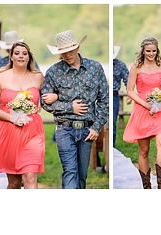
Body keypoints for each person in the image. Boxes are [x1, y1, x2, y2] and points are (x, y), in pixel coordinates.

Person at [41, 30, 109, 189]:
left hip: (87, 130)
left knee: (82, 175)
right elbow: (44, 102)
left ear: (77, 48)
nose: (67, 55)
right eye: (63, 52)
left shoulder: (95, 68)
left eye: (70, 51)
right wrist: (69, 107)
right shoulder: (53, 72)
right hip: (64, 130)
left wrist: (97, 126)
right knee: (70, 171)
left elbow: (104, 99)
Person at [0, 41, 45, 189]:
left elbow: (46, 100)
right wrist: (12, 117)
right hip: (9, 131)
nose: (21, 56)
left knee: (30, 177)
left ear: (29, 57)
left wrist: (41, 106)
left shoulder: (38, 77)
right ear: (11, 56)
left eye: (24, 54)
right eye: (17, 53)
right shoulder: (0, 77)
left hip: (32, 131)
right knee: (14, 183)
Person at [122, 37, 161, 189]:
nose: (151, 53)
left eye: (154, 51)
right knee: (144, 150)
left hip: (160, 108)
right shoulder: (136, 67)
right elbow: (129, 91)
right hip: (142, 108)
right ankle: (147, 186)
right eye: (148, 51)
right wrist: (146, 105)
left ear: (158, 51)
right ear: (143, 50)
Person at [112, 45, 128, 148]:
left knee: (112, 124)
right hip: (100, 96)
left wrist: (129, 94)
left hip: (114, 96)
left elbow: (128, 80)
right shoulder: (98, 64)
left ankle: (112, 150)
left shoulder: (120, 65)